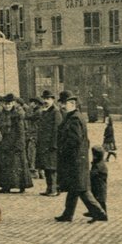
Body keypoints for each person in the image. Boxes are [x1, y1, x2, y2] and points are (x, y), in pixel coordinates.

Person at [54, 91, 106, 223]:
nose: (62, 106)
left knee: (81, 189)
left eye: (63, 103)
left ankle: (99, 213)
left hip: (74, 159)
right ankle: (67, 214)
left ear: (72, 103)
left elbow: (74, 140)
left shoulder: (75, 118)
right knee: (74, 187)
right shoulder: (72, 116)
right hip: (76, 159)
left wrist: (63, 150)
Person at [0, 94, 32, 193]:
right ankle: (6, 186)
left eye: (9, 104)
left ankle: (21, 185)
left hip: (15, 143)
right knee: (5, 165)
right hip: (4, 142)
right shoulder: (0, 115)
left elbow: (21, 131)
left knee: (17, 165)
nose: (7, 106)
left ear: (13, 104)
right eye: (5, 104)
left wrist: (20, 144)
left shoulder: (17, 115)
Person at [35, 90, 62, 196]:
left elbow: (56, 130)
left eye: (48, 99)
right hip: (44, 145)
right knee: (46, 167)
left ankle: (54, 189)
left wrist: (54, 145)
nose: (46, 101)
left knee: (52, 168)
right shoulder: (45, 111)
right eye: (44, 99)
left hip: (51, 145)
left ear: (53, 100)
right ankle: (49, 188)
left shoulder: (55, 112)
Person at [89, 145, 108, 221]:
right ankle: (98, 214)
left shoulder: (98, 165)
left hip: (99, 186)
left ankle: (100, 215)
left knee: (100, 200)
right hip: (98, 185)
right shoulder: (100, 163)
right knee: (100, 200)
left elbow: (93, 174)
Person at [24, 98, 41, 178]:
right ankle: (38, 172)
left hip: (35, 134)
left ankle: (34, 172)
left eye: (32, 103)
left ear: (36, 103)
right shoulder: (37, 111)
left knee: (32, 152)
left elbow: (27, 116)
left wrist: (28, 108)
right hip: (34, 133)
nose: (31, 104)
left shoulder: (38, 112)